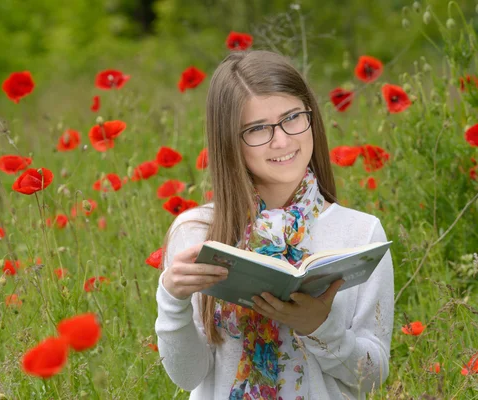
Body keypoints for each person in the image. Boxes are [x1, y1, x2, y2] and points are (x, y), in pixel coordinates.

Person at [154, 50, 394, 400]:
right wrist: (172, 299)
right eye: (257, 129)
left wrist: (320, 328)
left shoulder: (360, 234)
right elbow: (188, 377)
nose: (281, 140)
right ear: (229, 141)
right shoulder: (196, 232)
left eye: (292, 117)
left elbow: (371, 379)